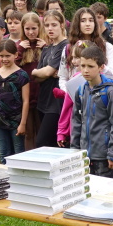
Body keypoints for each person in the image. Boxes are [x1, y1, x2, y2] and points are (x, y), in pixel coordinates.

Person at [68, 44, 113, 176]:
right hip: (84, 154)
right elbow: (76, 122)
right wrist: (75, 150)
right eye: (83, 66)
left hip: (104, 156)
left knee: (106, 187)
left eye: (90, 66)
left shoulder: (109, 92)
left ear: (101, 67)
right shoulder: (81, 90)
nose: (85, 70)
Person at [0, 39, 30, 160]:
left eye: (8, 56)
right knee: (3, 152)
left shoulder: (22, 75)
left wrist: (23, 123)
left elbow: (26, 101)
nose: (4, 59)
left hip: (16, 121)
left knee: (18, 153)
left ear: (15, 55)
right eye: (1, 56)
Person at [32, 11, 68, 149]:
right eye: (47, 25)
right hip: (44, 99)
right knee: (51, 145)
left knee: (42, 142)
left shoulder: (65, 46)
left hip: (57, 102)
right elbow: (38, 78)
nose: (50, 28)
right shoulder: (47, 48)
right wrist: (39, 73)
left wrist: (38, 72)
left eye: (54, 25)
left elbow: (47, 72)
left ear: (62, 25)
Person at [17, 12, 45, 149]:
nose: (31, 32)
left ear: (39, 27)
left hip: (41, 94)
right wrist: (20, 49)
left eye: (34, 28)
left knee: (41, 131)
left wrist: (46, 48)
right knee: (28, 132)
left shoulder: (45, 45)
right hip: (25, 95)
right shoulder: (20, 46)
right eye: (27, 29)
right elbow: (12, 68)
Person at [69, 6, 113, 74]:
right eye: (83, 21)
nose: (88, 24)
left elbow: (112, 73)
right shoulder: (69, 47)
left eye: (91, 20)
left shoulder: (107, 47)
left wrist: (96, 63)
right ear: (77, 24)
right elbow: (63, 76)